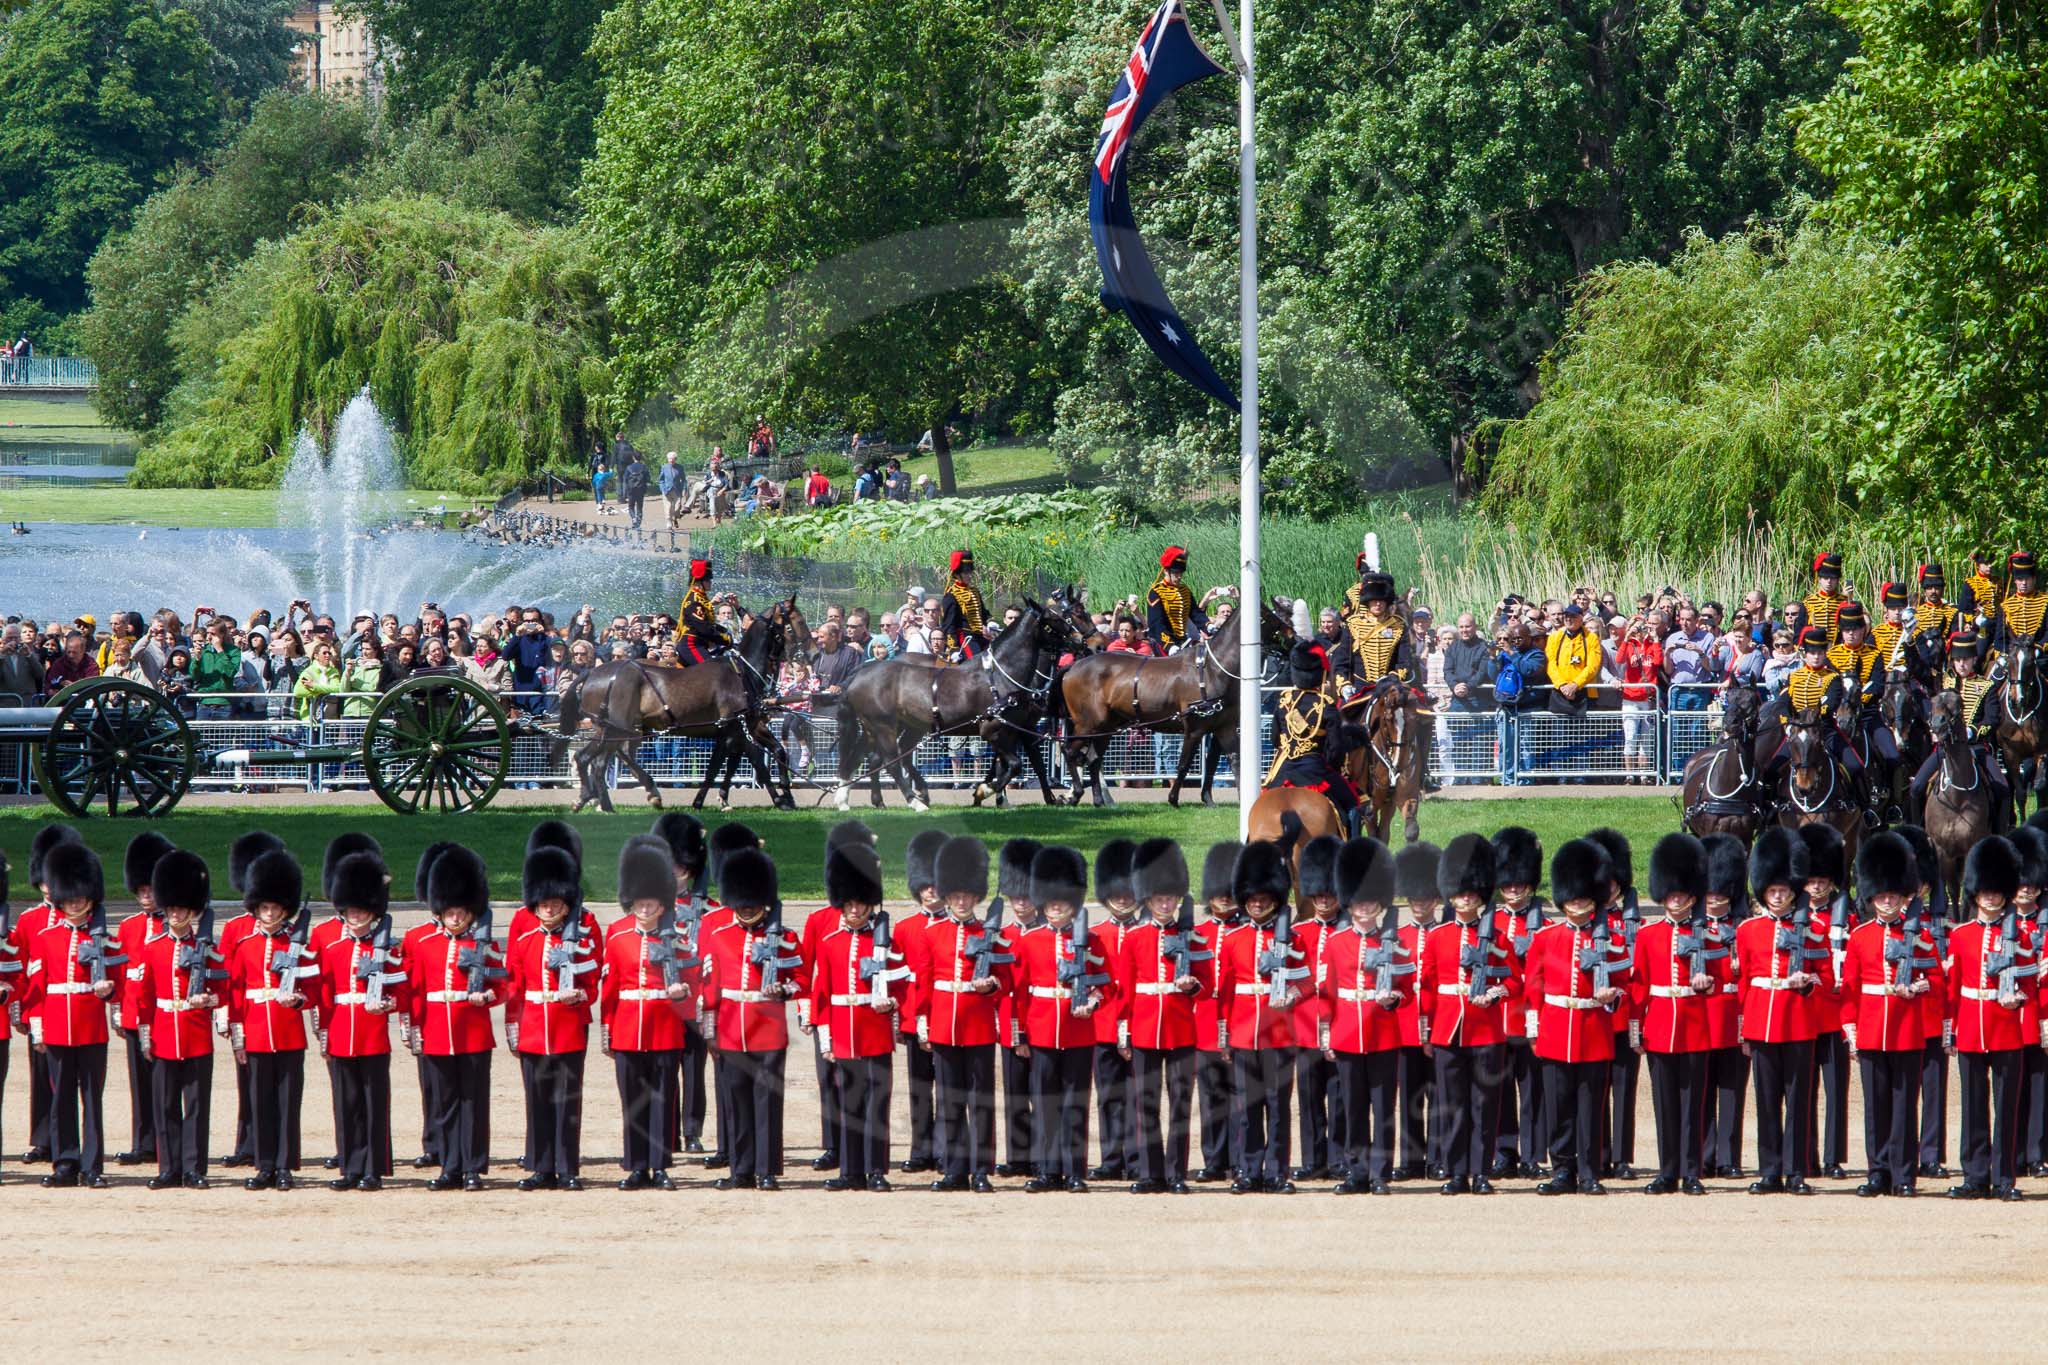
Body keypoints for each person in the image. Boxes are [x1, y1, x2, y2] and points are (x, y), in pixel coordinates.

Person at [1835, 831, 1939, 1197]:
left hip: (1907, 1028)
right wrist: (1850, 1030)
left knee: (1904, 1105)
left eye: (1892, 896)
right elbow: (1849, 988)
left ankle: (1904, 1174)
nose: (1887, 902)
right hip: (1870, 1029)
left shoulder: (1921, 935)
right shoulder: (1861, 936)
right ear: (1872, 897)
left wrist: (1919, 987)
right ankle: (1878, 1170)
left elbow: (1936, 978)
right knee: (1876, 1106)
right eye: (1881, 896)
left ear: (1903, 896)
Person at [1418, 835, 1521, 1195]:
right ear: (1451, 895)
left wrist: (1495, 992)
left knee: (1484, 1103)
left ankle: (1481, 1171)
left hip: (1486, 1029)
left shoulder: (1496, 936)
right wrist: (1426, 1033)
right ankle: (1456, 1170)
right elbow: (1427, 987)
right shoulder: (1438, 936)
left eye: (1472, 894)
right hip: (1448, 1029)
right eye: (1460, 894)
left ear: (1480, 895)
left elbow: (1515, 980)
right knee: (1452, 1103)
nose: (1465, 899)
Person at [1526, 839, 1629, 1196]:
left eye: (1584, 896)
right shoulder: (1546, 938)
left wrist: (1609, 998)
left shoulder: (1612, 940)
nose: (1578, 902)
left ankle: (1589, 1170)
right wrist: (1534, 1032)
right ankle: (1562, 1169)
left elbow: (1624, 985)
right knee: (1558, 1105)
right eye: (1572, 897)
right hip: (1555, 1027)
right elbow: (1533, 990)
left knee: (1590, 1105)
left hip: (1593, 1028)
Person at [908, 837, 1010, 1192]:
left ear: (976, 897)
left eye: (968, 895)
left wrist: (991, 985)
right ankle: (954, 1169)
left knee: (979, 1099)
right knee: (949, 1100)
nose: (962, 900)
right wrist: (922, 1023)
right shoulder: (932, 933)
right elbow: (921, 983)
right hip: (943, 1025)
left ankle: (980, 1169)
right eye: (956, 895)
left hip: (979, 1023)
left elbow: (1007, 982)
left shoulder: (990, 933)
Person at [808, 842, 907, 1191]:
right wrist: (825, 1040)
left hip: (875, 1028)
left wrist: (891, 1004)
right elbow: (821, 993)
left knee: (876, 1102)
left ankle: (876, 1170)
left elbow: (903, 984)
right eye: (848, 904)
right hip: (843, 1030)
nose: (854, 910)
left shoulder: (887, 943)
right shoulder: (830, 940)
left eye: (860, 904)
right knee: (848, 1104)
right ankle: (850, 1171)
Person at [1737, 828, 1831, 1194]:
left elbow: (1826, 976)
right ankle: (1769, 1170)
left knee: (1798, 1102)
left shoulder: (1813, 930)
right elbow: (1744, 983)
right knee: (1766, 1102)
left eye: (1784, 891)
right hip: (1762, 1023)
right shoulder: (1748, 930)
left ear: (1793, 891)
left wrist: (1807, 982)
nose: (1778, 896)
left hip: (1799, 1023)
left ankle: (1796, 1171)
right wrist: (1744, 1030)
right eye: (1772, 891)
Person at [701, 846, 801, 1189]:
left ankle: (766, 1170)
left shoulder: (785, 938)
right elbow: (709, 987)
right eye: (743, 902)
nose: (748, 909)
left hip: (769, 1030)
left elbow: (802, 980)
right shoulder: (719, 935)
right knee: (736, 1102)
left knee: (767, 1104)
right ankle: (740, 1170)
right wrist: (709, 1032)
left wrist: (784, 989)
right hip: (730, 1029)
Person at [20, 841, 118, 1188]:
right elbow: (35, 989)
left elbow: (121, 981)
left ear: (91, 898)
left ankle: (92, 1165)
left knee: (92, 1098)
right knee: (61, 1098)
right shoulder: (46, 937)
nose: (75, 903)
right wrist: (38, 1029)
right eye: (70, 898)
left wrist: (110, 991)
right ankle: (65, 1162)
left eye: (81, 898)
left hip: (91, 1027)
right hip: (58, 1027)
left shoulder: (105, 939)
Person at [1629, 834, 1722, 1195]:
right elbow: (1638, 985)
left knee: (1693, 1103)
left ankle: (1692, 1170)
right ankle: (1667, 1170)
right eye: (1671, 895)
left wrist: (1707, 982)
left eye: (1682, 896)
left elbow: (1725, 979)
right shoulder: (1649, 935)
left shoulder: (1709, 937)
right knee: (1665, 1103)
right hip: (1660, 1026)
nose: (1676, 901)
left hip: (1695, 1025)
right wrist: (1635, 1029)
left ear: (1692, 897)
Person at [1117, 839, 1209, 1194]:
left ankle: (1176, 1173)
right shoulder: (1136, 937)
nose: (1165, 903)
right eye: (1159, 899)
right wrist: (1123, 1031)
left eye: (1170, 898)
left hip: (1181, 1028)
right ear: (1148, 899)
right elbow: (1124, 990)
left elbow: (1208, 985)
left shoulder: (1193, 937)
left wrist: (1190, 986)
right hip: (1143, 1028)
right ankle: (1150, 1173)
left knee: (1180, 1105)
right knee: (1146, 1104)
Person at [1947, 835, 2034, 1200]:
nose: (1991, 897)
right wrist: (1948, 1030)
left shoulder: (2022, 936)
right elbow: (1952, 989)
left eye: (1997, 891)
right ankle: (1975, 1175)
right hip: (1970, 1026)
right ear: (1975, 892)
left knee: (2007, 1106)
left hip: (2005, 1027)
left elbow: (2031, 980)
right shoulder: (1962, 935)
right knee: (1972, 1105)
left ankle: (2004, 1178)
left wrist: (2019, 1000)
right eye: (1985, 891)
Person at [1320, 837, 1409, 1195]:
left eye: (1371, 901)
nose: (1365, 908)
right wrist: (1326, 1033)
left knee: (1382, 1107)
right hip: (1345, 1033)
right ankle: (1356, 1171)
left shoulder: (1394, 942)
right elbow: (1327, 990)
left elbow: (1409, 986)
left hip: (1382, 1032)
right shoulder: (1336, 942)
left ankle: (1379, 1173)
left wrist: (1393, 998)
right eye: (1359, 902)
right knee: (1352, 1108)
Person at [1215, 839, 1304, 1193]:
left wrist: (1292, 993)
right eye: (1252, 900)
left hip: (1279, 1031)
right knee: (1248, 1108)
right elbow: (1224, 991)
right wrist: (1225, 1035)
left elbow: (1308, 982)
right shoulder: (1233, 939)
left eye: (1263, 899)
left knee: (1278, 1107)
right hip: (1242, 1032)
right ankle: (1249, 1170)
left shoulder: (1293, 940)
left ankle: (1276, 1172)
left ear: (1274, 899)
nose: (1256, 904)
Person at [413, 846, 503, 1191]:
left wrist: (488, 996)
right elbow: (416, 990)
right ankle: (449, 1165)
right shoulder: (424, 945)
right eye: (449, 912)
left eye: (460, 912)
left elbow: (502, 984)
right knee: (446, 1105)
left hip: (474, 1033)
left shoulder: (485, 945)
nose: (454, 918)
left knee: (473, 1103)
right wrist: (416, 1029)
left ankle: (473, 1167)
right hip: (437, 1033)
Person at [226, 847, 314, 1191]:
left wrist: (299, 999)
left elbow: (313, 988)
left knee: (287, 1103)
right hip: (257, 1032)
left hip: (289, 1031)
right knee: (260, 1102)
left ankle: (284, 1166)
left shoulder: (297, 944)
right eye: (264, 907)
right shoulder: (246, 943)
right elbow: (235, 992)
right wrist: (238, 1037)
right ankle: (264, 1165)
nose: (269, 913)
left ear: (285, 909)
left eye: (275, 908)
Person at [112, 832, 174, 1166]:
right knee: (139, 1084)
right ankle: (144, 1142)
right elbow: (121, 975)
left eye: (151, 889)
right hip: (135, 1014)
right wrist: (118, 1012)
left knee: (165, 1085)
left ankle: (167, 1142)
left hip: (164, 1016)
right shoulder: (128, 927)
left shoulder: (175, 927)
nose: (146, 895)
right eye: (142, 890)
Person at [1288, 837, 1344, 1181]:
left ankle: (1339, 1158)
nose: (1323, 900)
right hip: (1306, 1026)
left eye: (1329, 894)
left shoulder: (1352, 932)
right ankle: (1313, 1159)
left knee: (1340, 1098)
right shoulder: (1299, 933)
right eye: (1319, 894)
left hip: (1341, 1026)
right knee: (1309, 1100)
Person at [1261, 642, 1360, 833]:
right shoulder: (1327, 706)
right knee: (1353, 804)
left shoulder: (1284, 701)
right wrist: (1333, 765)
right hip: (1315, 770)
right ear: (1321, 675)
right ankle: (1353, 858)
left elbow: (1275, 738)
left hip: (1284, 770)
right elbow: (1336, 750)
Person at [1087, 840, 1142, 1180]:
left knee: (1137, 1098)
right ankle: (1111, 1160)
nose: (1123, 898)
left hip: (1140, 1025)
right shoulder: (1094, 935)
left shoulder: (1149, 932)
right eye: (1117, 893)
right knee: (1108, 1097)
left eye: (1128, 892)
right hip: (1104, 1025)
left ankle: (1137, 1160)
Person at [1698, 834, 1751, 1177]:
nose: (1715, 900)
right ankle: (1703, 1154)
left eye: (1721, 894)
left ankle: (1729, 1157)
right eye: (1710, 894)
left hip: (1733, 1018)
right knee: (1701, 1091)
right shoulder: (1691, 928)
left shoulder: (1743, 928)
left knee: (1732, 1091)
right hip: (1701, 1017)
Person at [1333, 567, 1415, 695]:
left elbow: (1404, 661)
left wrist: (1392, 677)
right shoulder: (1353, 624)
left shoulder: (1399, 625)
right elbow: (1342, 660)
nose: (1378, 604)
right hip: (1360, 688)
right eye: (1374, 600)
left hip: (1390, 688)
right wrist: (1344, 685)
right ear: (1368, 601)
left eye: (1382, 600)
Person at [1145, 547, 1211, 654]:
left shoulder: (1185, 590)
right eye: (1176, 573)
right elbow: (1156, 624)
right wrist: (1169, 646)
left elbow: (1195, 613)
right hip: (1162, 644)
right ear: (1166, 571)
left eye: (1181, 573)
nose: (1179, 577)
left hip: (1183, 640)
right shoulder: (1156, 592)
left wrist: (1208, 625)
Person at [675, 559, 731, 665]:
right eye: (708, 580)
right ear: (700, 581)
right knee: (712, 670)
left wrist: (724, 630)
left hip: (699, 644)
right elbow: (704, 629)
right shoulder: (694, 601)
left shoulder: (701, 598)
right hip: (691, 645)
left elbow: (710, 624)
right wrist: (726, 639)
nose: (710, 583)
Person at [939, 549, 990, 661]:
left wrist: (988, 624)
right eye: (966, 572)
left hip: (981, 636)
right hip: (965, 638)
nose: (969, 575)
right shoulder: (951, 595)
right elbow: (948, 625)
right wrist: (953, 648)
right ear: (957, 574)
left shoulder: (975, 591)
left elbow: (983, 614)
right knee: (977, 661)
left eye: (970, 572)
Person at [1804, 551, 1848, 647]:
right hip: (1815, 646)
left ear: (1837, 580)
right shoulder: (1808, 601)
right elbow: (1802, 628)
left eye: (1833, 578)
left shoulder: (1844, 601)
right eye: (1825, 577)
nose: (1829, 581)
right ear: (1820, 579)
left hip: (1837, 645)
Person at [658, 452, 687, 527]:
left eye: (672, 459)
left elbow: (683, 479)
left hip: (677, 490)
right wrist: (663, 489)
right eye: (669, 459)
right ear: (667, 459)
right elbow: (661, 480)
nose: (671, 460)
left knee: (677, 507)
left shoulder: (680, 467)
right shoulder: (664, 467)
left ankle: (675, 518)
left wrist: (684, 488)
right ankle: (668, 521)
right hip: (667, 490)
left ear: (675, 459)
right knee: (668, 506)